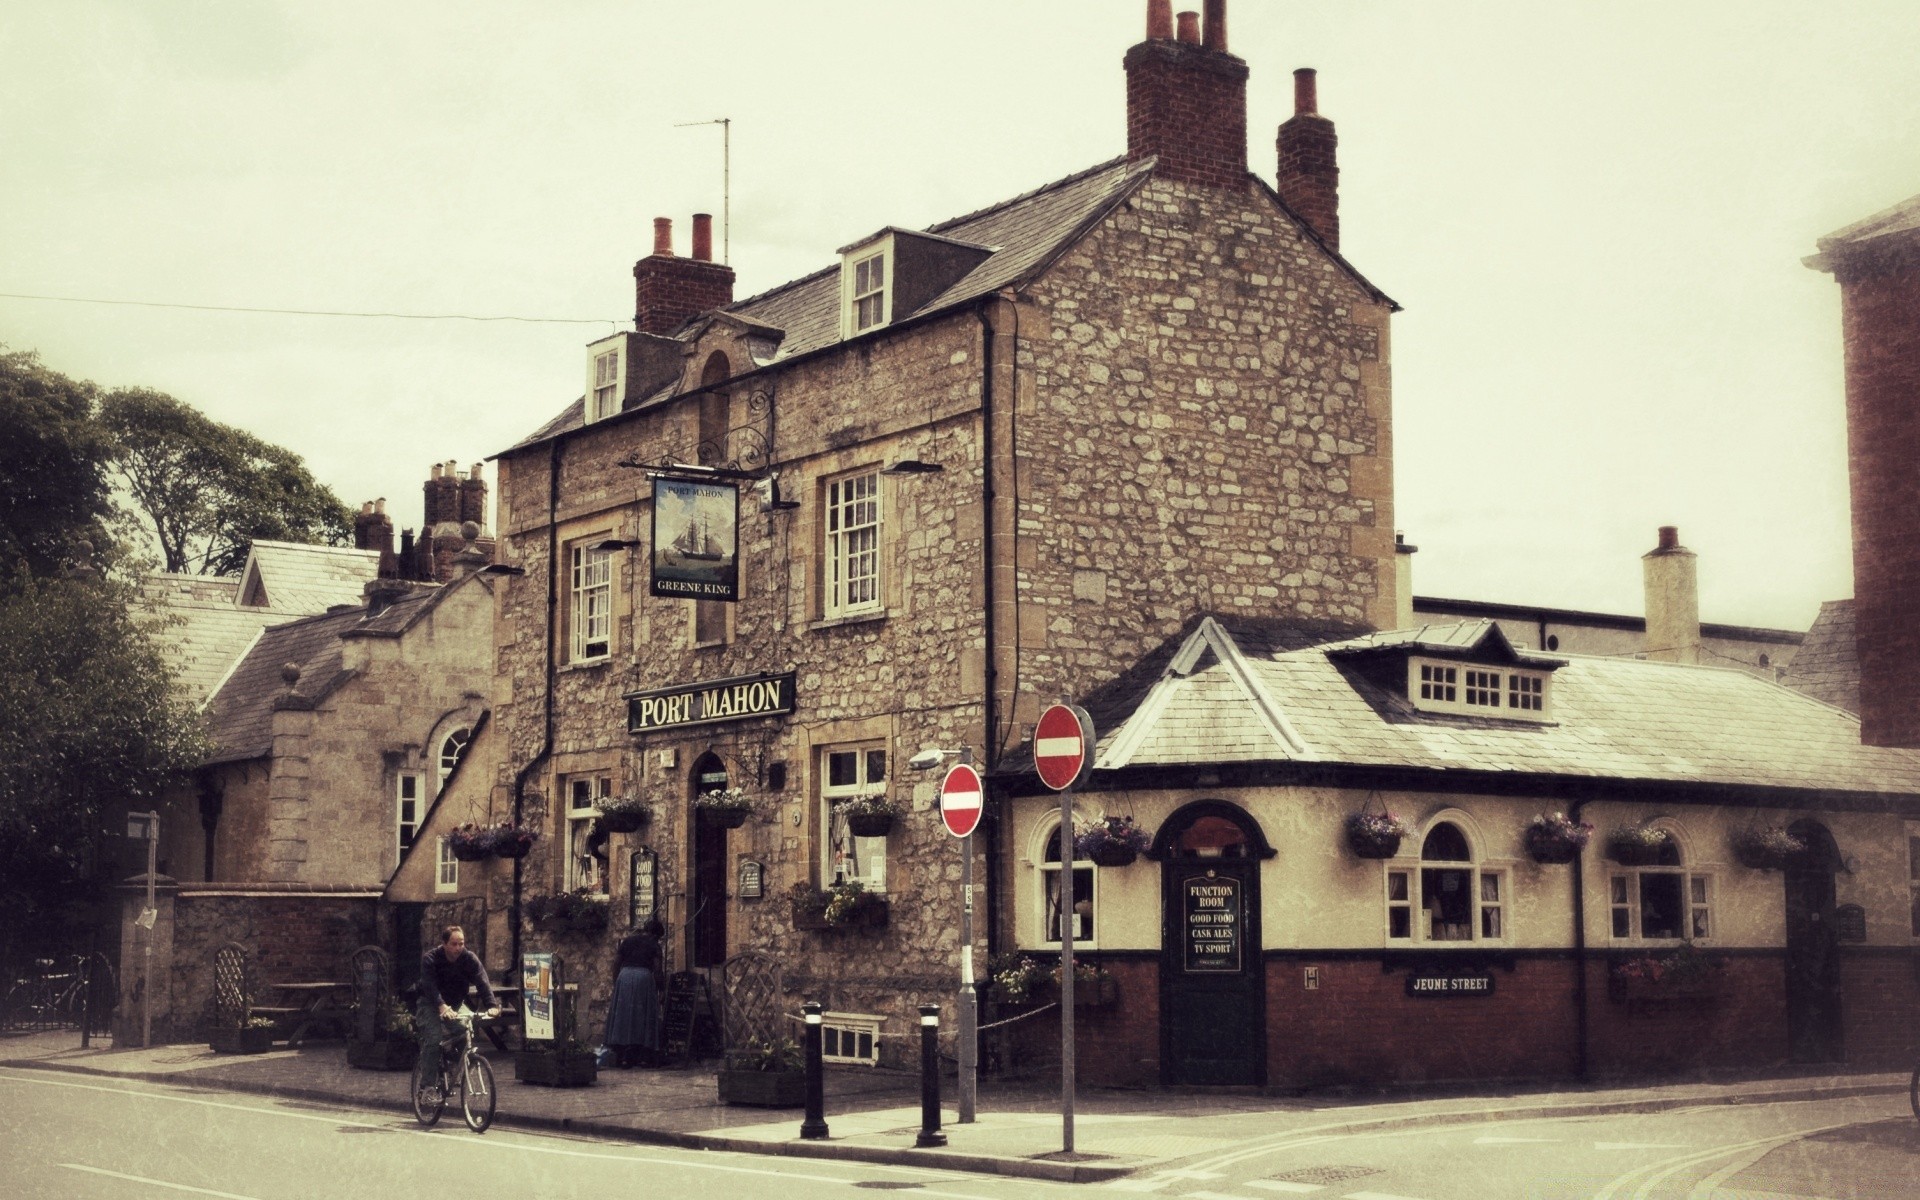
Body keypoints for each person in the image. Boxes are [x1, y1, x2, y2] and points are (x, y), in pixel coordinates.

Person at [416, 925, 499, 1098]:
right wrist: (442, 1006)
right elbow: (429, 986)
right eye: (454, 944)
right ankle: (427, 1087)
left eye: (461, 944)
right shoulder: (431, 959)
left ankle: (454, 1066)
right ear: (444, 944)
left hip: (456, 1003)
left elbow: (482, 981)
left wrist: (492, 1005)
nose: (458, 948)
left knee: (466, 1031)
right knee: (433, 1040)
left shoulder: (468, 959)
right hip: (430, 1004)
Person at [603, 918, 664, 1068]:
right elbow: (657, 969)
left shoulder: (628, 941)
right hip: (643, 977)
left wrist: (616, 981)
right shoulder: (654, 945)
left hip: (624, 976)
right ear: (656, 935)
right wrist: (661, 988)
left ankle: (623, 1055)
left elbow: (616, 962)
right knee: (643, 1015)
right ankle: (643, 1055)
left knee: (623, 1015)